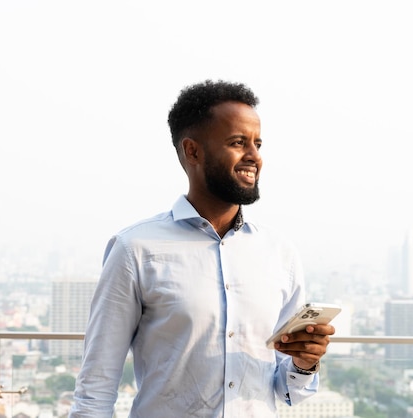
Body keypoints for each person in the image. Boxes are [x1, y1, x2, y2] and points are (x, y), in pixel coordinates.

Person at [69, 79, 336, 417]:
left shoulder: (279, 253)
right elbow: (96, 386)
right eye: (238, 143)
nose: (254, 156)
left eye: (257, 143)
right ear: (193, 151)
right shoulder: (135, 249)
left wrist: (304, 363)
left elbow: (287, 391)